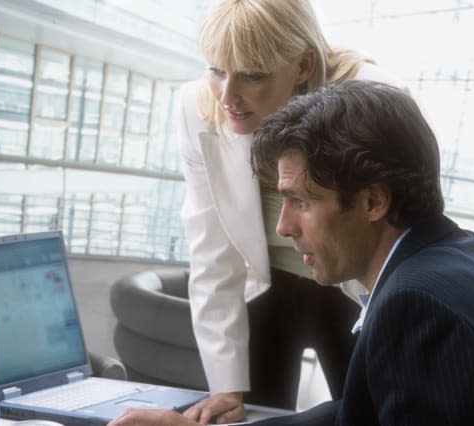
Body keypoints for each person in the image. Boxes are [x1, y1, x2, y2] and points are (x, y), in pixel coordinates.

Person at [109, 80, 474, 426]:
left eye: (302, 203)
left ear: (372, 202)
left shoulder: (417, 307)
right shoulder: (469, 257)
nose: (283, 226)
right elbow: (357, 415)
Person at [175, 0, 400, 423]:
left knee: (369, 416)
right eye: (216, 69)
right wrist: (225, 385)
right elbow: (211, 252)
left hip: (355, 288)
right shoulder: (197, 107)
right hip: (268, 287)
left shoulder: (374, 101)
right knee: (252, 416)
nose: (227, 95)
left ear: (302, 66)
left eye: (253, 75)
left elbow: (401, 228)